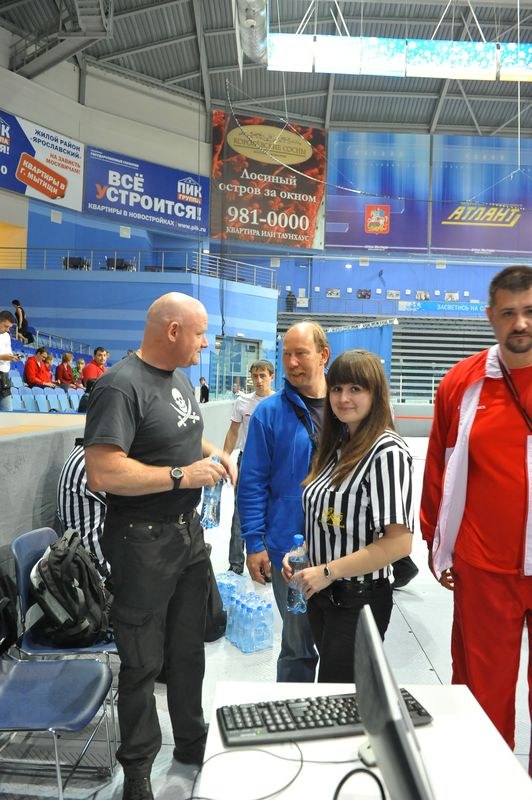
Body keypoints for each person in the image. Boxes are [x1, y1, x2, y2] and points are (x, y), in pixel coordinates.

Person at [84, 292, 236, 800]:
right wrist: (180, 475)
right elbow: (103, 471)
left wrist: (219, 455)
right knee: (143, 662)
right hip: (141, 543)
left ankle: (191, 743)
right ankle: (138, 770)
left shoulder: (180, 379)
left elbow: (187, 443)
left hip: (186, 535)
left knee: (188, 649)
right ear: (173, 331)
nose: (205, 343)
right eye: (200, 333)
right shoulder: (119, 386)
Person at [420, 265, 532, 772]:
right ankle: (488, 782)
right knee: (483, 696)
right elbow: (439, 472)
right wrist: (437, 544)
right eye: (509, 313)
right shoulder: (462, 384)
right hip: (486, 569)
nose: (521, 323)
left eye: (530, 311)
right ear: (490, 318)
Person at [282, 350, 414, 683]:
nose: (343, 398)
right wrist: (304, 553)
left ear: (375, 394)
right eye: (337, 388)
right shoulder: (336, 446)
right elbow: (333, 520)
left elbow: (399, 543)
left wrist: (328, 571)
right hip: (322, 597)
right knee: (335, 696)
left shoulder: (386, 451)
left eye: (356, 389)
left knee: (339, 700)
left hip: (358, 600)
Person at [238, 321, 330, 682]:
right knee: (298, 649)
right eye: (286, 354)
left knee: (342, 648)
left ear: (323, 355)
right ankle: (294, 726)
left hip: (342, 550)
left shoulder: (347, 406)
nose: (292, 362)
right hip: (289, 554)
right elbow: (253, 482)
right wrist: (254, 542)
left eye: (301, 353)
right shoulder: (269, 413)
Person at [223, 360, 275, 574]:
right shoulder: (242, 402)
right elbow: (233, 431)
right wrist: (224, 459)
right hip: (247, 461)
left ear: (271, 376)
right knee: (240, 511)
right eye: (255, 376)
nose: (259, 380)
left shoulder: (279, 402)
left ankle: (266, 563)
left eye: (263, 375)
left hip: (273, 462)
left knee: (270, 511)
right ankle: (235, 563)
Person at [57, 438, 111, 585]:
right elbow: (141, 505)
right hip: (98, 578)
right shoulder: (90, 462)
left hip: (99, 566)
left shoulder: (88, 453)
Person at [0, 310, 22, 411]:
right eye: (5, 326)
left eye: (9, 327)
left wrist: (12, 357)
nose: (7, 329)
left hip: (4, 377)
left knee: (8, 411)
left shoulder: (7, 335)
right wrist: (3, 357)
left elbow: (8, 353)